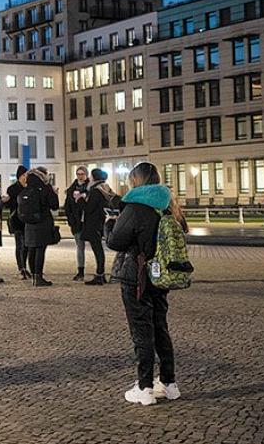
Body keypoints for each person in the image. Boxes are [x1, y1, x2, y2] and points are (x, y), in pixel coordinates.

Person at [106, 161, 187, 406]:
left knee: (141, 331)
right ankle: (169, 384)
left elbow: (116, 242)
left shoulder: (135, 207)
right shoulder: (168, 204)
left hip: (137, 275)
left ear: (135, 181)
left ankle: (145, 387)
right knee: (160, 327)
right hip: (161, 275)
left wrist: (110, 223)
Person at [20, 167, 59, 287]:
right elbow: (54, 206)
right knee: (40, 250)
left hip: (29, 223)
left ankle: (34, 275)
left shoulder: (26, 189)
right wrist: (55, 194)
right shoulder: (45, 188)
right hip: (43, 222)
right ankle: (38, 277)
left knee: (31, 249)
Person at [81, 168, 113, 285]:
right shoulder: (105, 189)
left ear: (94, 178)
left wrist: (80, 200)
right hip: (100, 222)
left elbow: (89, 208)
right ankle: (101, 274)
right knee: (98, 249)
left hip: (93, 223)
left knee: (97, 249)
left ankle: (100, 275)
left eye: (90, 176)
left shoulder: (95, 191)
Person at [64, 166, 90, 281]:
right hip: (76, 222)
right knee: (80, 246)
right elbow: (67, 206)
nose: (80, 176)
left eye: (82, 174)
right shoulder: (71, 189)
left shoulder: (90, 188)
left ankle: (100, 272)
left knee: (96, 247)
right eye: (78, 174)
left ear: (86, 175)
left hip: (89, 221)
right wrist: (71, 220)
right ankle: (80, 271)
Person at [5, 166, 29, 280]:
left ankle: (25, 266)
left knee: (27, 246)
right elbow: (9, 205)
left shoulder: (30, 187)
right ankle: (21, 268)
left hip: (28, 220)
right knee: (19, 245)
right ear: (19, 176)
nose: (25, 177)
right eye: (23, 175)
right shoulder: (12, 189)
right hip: (17, 220)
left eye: (26, 175)